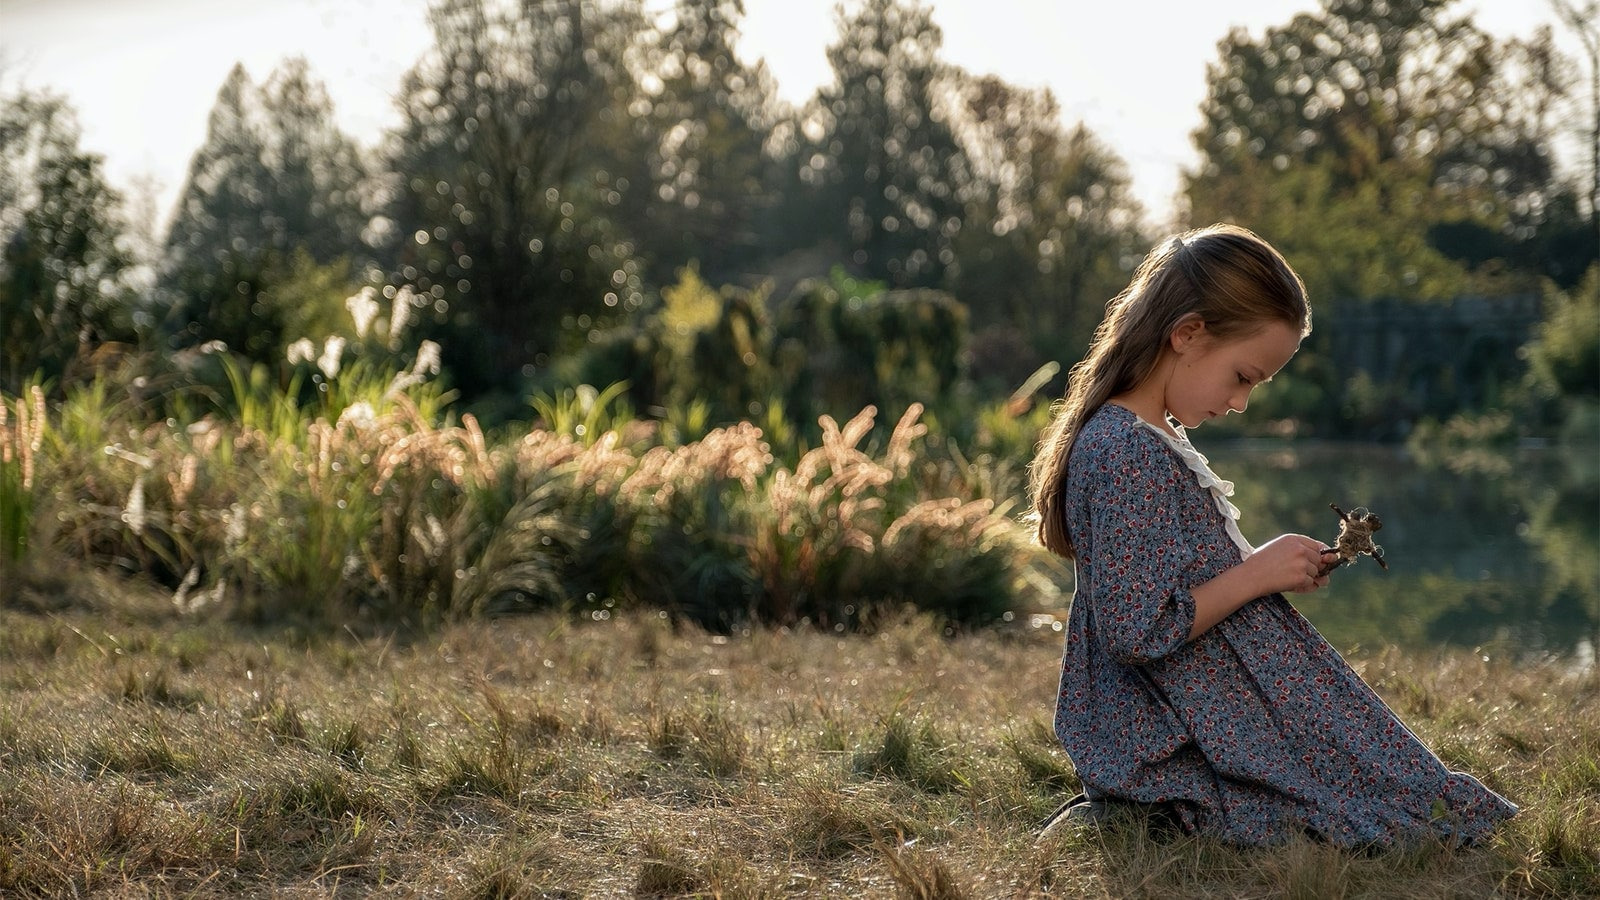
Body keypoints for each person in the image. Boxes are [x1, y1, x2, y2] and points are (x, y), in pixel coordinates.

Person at [1028, 223, 1517, 848]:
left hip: (1201, 703)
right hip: (1162, 730)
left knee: (1393, 790)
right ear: (1187, 334)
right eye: (1242, 377)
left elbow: (1178, 585)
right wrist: (1255, 574)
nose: (1242, 403)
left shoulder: (1155, 438)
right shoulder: (1127, 451)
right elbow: (1137, 629)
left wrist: (1266, 566)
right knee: (1368, 812)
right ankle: (1146, 808)